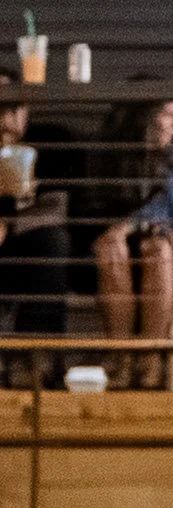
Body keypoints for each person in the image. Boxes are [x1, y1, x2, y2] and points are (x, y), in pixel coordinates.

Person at [87, 93, 173, 386]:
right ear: (145, 118)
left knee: (158, 250)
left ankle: (150, 359)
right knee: (111, 248)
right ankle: (120, 356)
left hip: (161, 232)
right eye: (169, 114)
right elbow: (95, 203)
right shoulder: (105, 149)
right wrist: (121, 229)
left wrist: (128, 225)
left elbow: (169, 204)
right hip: (112, 232)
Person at [0, 69, 69, 357]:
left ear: (25, 108)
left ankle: (35, 358)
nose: (6, 118)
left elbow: (57, 207)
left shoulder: (50, 140)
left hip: (30, 244)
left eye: (12, 108)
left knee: (55, 242)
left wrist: (8, 223)